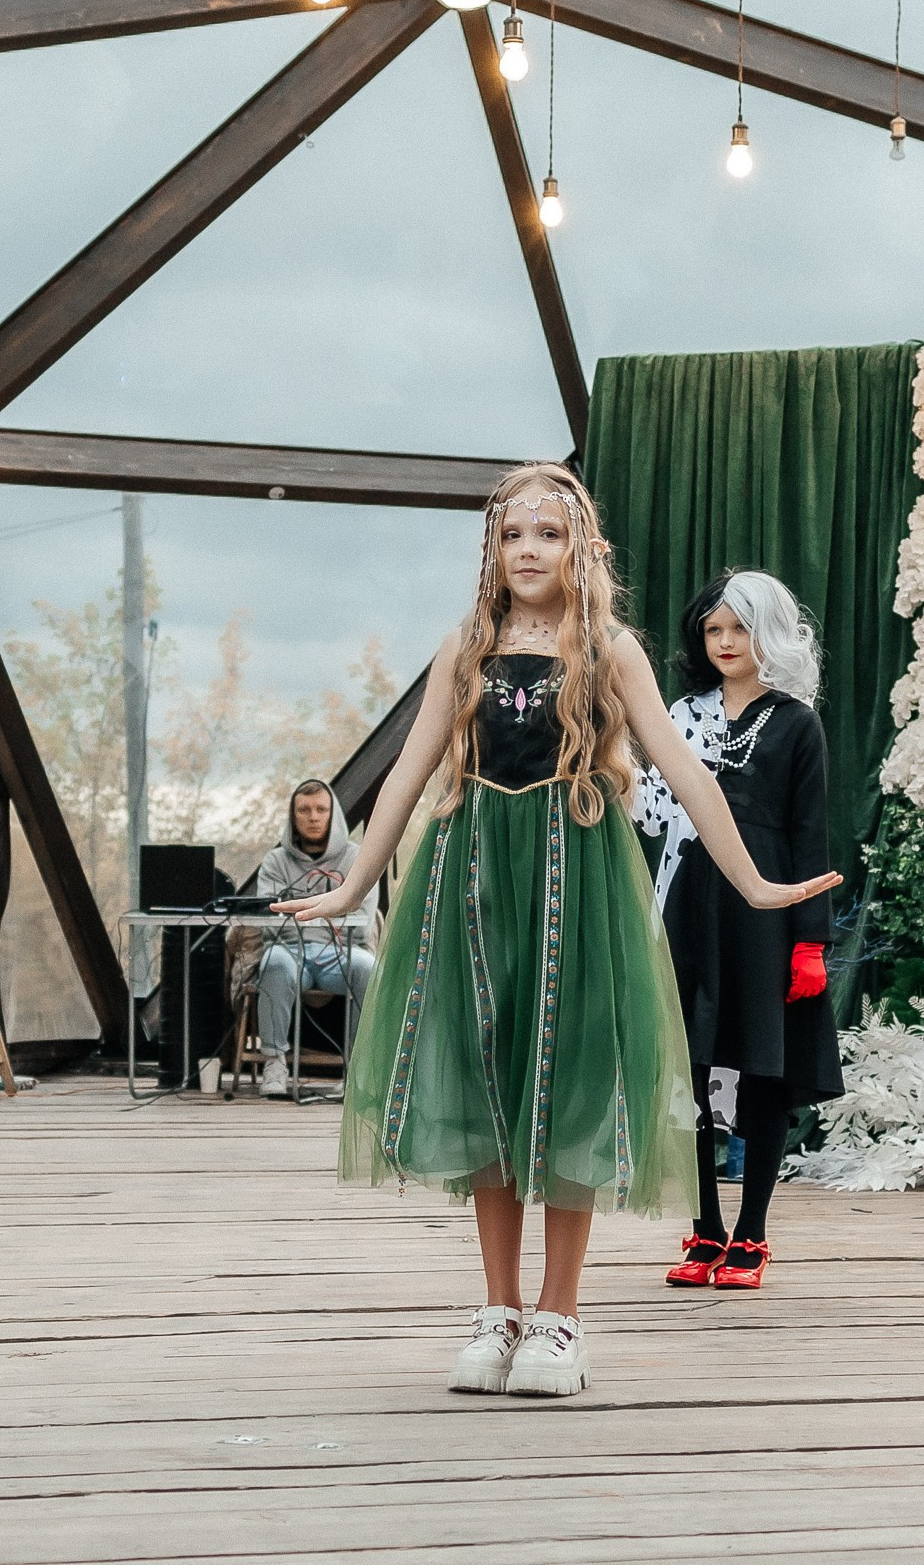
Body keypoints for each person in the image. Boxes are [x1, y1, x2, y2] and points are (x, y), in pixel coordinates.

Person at [278, 463, 840, 1399]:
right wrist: (350, 890)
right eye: (512, 535)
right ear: (492, 551)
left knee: (571, 1082)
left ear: (581, 547)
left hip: (576, 877)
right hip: (472, 877)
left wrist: (756, 883)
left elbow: (689, 773)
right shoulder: (467, 644)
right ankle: (498, 1310)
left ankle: (559, 1317)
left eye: (548, 533)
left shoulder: (610, 648)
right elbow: (410, 774)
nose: (529, 550)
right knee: (488, 1078)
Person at [637, 571, 840, 1291]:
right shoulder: (680, 714)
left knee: (761, 1071)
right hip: (688, 906)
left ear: (769, 634)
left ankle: (751, 1232)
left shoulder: (795, 722)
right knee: (689, 1070)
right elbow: (651, 818)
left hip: (766, 917)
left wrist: (810, 939)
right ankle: (704, 1231)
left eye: (740, 629)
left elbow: (811, 834)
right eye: (714, 630)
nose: (725, 642)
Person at [252, 780, 376, 1098]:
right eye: (304, 810)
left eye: (321, 809)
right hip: (289, 951)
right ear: (293, 816)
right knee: (272, 962)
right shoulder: (275, 861)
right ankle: (275, 1065)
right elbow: (269, 924)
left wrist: (302, 914)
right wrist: (330, 913)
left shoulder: (356, 859)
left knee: (368, 968)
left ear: (333, 814)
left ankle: (357, 1071)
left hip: (341, 952)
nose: (313, 816)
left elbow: (362, 924)